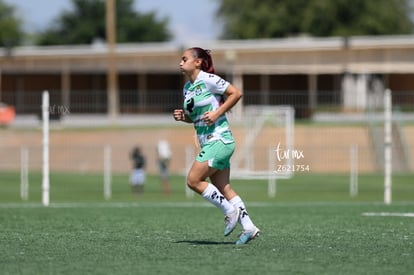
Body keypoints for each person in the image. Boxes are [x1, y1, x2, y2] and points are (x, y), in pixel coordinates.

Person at [173, 47, 260, 245]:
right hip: (210, 142)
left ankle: (230, 211)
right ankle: (249, 227)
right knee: (224, 188)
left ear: (198, 62)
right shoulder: (187, 88)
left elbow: (236, 93)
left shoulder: (208, 79)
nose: (180, 62)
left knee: (193, 180)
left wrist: (217, 113)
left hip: (219, 140)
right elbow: (197, 118)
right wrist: (184, 117)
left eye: (184, 59)